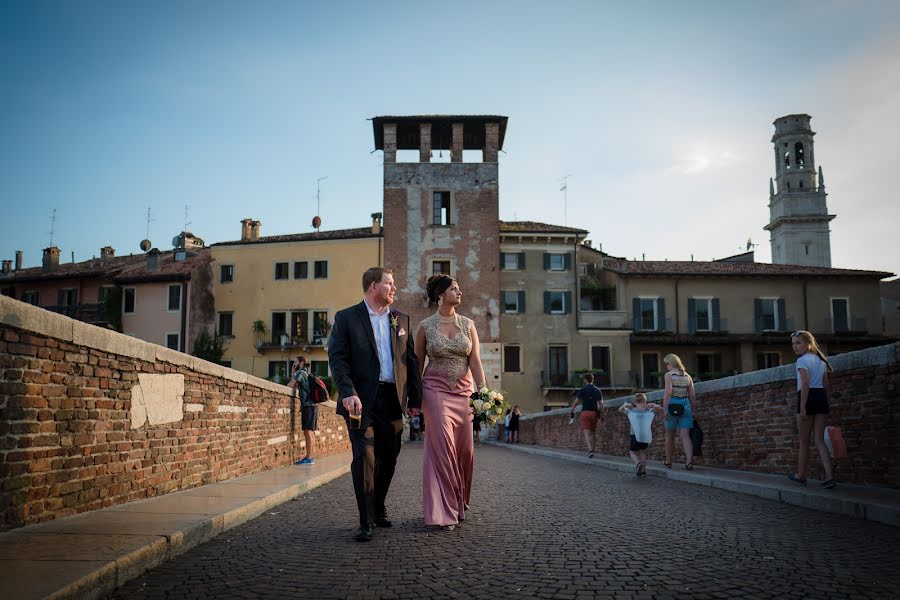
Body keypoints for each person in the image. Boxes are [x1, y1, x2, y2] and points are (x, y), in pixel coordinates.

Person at [328, 267, 422, 542]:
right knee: (364, 457)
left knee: (390, 457)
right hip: (360, 401)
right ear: (373, 286)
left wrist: (415, 399)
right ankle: (366, 519)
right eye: (389, 283)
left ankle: (378, 504)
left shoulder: (400, 319)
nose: (394, 289)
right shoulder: (347, 318)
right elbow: (338, 358)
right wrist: (347, 392)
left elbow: (411, 361)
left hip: (392, 400)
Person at [414, 274, 486, 530]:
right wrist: (414, 396)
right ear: (441, 295)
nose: (460, 293)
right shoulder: (425, 326)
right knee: (443, 449)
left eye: (459, 288)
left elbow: (475, 361)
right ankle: (443, 511)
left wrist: (484, 392)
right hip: (434, 391)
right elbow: (417, 363)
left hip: (464, 393)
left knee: (465, 451)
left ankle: (458, 499)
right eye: (455, 289)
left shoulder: (469, 325)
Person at [788, 330, 836, 489]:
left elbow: (805, 384)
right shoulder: (821, 361)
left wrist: (802, 408)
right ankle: (830, 477)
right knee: (819, 440)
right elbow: (826, 384)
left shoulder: (801, 361)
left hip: (807, 398)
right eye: (793, 343)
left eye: (798, 343)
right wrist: (826, 403)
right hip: (821, 397)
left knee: (804, 442)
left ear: (808, 344)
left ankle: (801, 476)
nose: (795, 346)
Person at [662, 353, 696, 470]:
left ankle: (668, 461)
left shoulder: (669, 375)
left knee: (669, 436)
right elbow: (692, 396)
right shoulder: (688, 376)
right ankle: (689, 462)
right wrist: (694, 410)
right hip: (685, 406)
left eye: (666, 364)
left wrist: (665, 409)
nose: (666, 366)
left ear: (670, 363)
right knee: (686, 436)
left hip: (672, 406)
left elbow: (668, 393)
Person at [618, 393, 662, 476]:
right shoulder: (648, 411)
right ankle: (644, 471)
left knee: (632, 452)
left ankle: (638, 463)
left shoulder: (631, 411)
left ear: (635, 402)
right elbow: (660, 409)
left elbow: (619, 409)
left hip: (634, 434)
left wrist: (626, 405)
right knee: (642, 451)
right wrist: (653, 405)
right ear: (645, 401)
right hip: (645, 434)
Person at [289, 356, 317, 465]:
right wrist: (293, 372)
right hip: (313, 406)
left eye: (295, 362)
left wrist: (293, 372)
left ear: (301, 363)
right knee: (310, 432)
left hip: (307, 406)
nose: (294, 364)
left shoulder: (300, 373)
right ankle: (309, 456)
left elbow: (291, 385)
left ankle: (309, 458)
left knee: (307, 431)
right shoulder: (307, 373)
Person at [569, 373, 604, 458]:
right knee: (593, 432)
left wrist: (571, 410)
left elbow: (576, 402)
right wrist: (602, 413)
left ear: (585, 380)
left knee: (586, 432)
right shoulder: (597, 390)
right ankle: (593, 450)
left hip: (585, 413)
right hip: (594, 413)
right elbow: (601, 404)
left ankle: (590, 450)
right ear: (593, 379)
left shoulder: (582, 390)